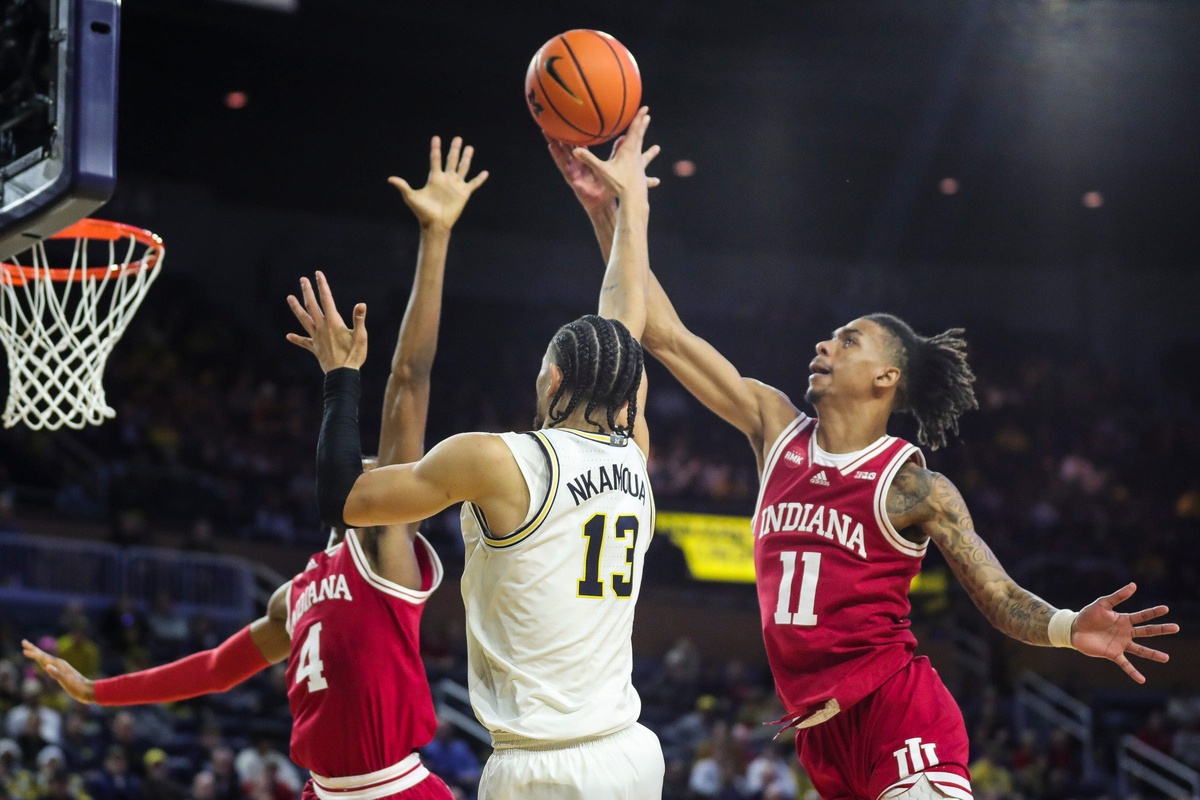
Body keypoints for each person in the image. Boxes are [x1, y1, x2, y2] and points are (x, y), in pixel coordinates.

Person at [549, 137, 1180, 799]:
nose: (825, 343)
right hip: (821, 737)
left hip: (900, 715)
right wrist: (607, 212)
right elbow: (661, 332)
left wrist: (1068, 627)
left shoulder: (913, 484)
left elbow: (999, 599)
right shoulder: (774, 428)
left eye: (847, 340)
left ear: (886, 376)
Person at [24, 134, 488, 800]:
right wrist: (98, 691)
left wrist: (435, 239)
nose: (379, 472)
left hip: (397, 790)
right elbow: (214, 669)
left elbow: (410, 380)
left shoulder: (386, 552)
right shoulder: (293, 595)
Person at [297, 108, 663, 800]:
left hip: (544, 768)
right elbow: (624, 319)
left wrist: (340, 379)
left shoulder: (499, 461)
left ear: (552, 379)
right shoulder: (633, 454)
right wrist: (631, 210)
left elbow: (341, 497)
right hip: (630, 754)